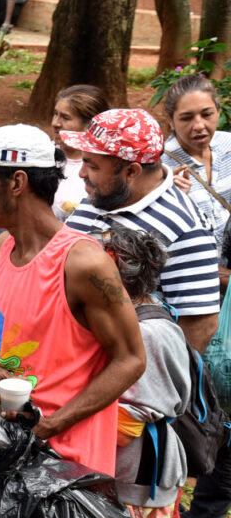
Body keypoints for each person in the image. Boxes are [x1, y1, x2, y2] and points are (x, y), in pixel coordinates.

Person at [0, 124, 146, 475]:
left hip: (65, 471)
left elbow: (131, 360)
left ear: (17, 183)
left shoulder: (83, 263)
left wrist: (50, 425)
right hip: (7, 454)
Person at [64, 109, 221, 353]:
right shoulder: (104, 194)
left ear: (131, 172)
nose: (82, 173)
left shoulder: (185, 229)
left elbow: (199, 327)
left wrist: (139, 371)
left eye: (91, 165)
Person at [96, 226, 190, 518]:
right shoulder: (147, 313)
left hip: (137, 470)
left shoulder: (146, 333)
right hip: (135, 468)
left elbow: (127, 425)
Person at [161, 74, 231, 258]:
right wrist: (168, 198)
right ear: (171, 120)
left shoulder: (229, 145)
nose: (199, 125)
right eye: (186, 118)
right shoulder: (159, 168)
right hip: (196, 268)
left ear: (218, 111)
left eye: (207, 114)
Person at [50, 84, 109, 221]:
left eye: (65, 118)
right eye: (55, 114)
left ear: (90, 125)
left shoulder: (100, 167)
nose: (55, 123)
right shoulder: (42, 154)